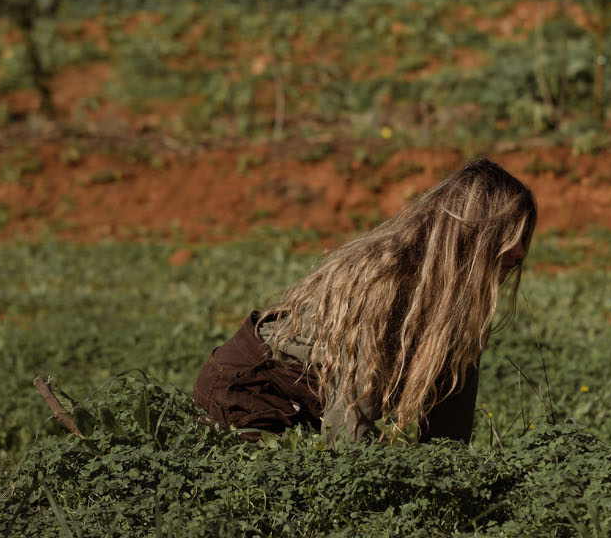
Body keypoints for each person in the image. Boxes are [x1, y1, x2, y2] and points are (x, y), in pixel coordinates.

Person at [193, 157, 536, 444]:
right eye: (508, 236)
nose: (519, 251)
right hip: (248, 393)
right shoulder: (381, 284)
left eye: (524, 237)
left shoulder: (465, 298)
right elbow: (349, 427)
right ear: (471, 233)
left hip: (307, 408)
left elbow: (450, 426)